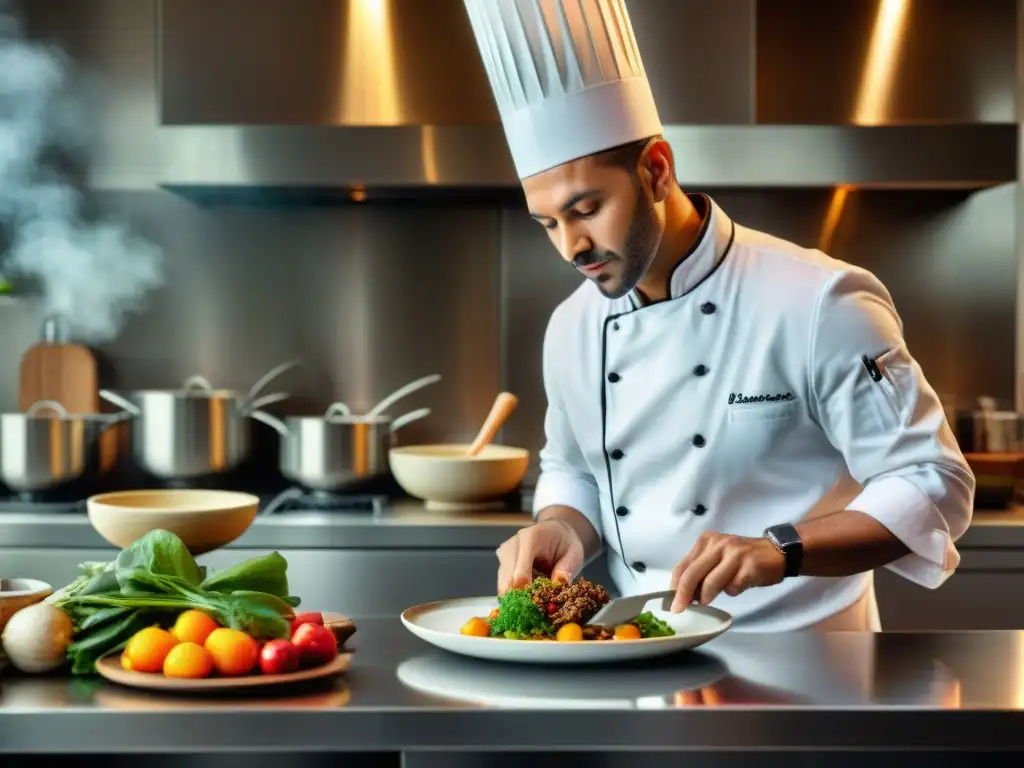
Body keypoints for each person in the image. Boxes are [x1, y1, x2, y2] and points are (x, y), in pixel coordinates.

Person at [462, 0, 975, 631]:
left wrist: (779, 549)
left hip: (807, 669)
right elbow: (572, 469)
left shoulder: (818, 301)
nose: (572, 246)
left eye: (587, 208)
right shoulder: (571, 327)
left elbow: (932, 482)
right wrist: (559, 525)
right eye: (549, 224)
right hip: (638, 659)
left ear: (656, 170)